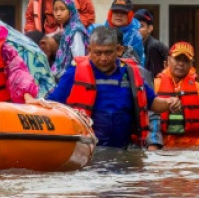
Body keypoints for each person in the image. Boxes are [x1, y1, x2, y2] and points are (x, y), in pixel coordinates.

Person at [47, 26, 180, 149]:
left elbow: (152, 103)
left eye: (108, 53)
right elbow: (52, 103)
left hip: (124, 149)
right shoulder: (75, 73)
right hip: (88, 149)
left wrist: (169, 103)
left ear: (119, 50)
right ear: (89, 50)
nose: (103, 58)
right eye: (98, 53)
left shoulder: (131, 74)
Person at [50, 0, 89, 77]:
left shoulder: (76, 31)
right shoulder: (67, 29)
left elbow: (79, 59)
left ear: (70, 10)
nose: (58, 14)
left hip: (71, 77)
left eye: (62, 9)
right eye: (55, 10)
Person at [100, 0, 145, 67]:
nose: (119, 15)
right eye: (115, 11)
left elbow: (136, 63)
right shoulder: (100, 32)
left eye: (123, 12)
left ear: (130, 15)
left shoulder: (135, 37)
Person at [135, 9, 167, 77]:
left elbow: (153, 77)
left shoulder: (152, 47)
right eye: (135, 26)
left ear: (150, 28)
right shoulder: (137, 45)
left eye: (141, 26)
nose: (137, 29)